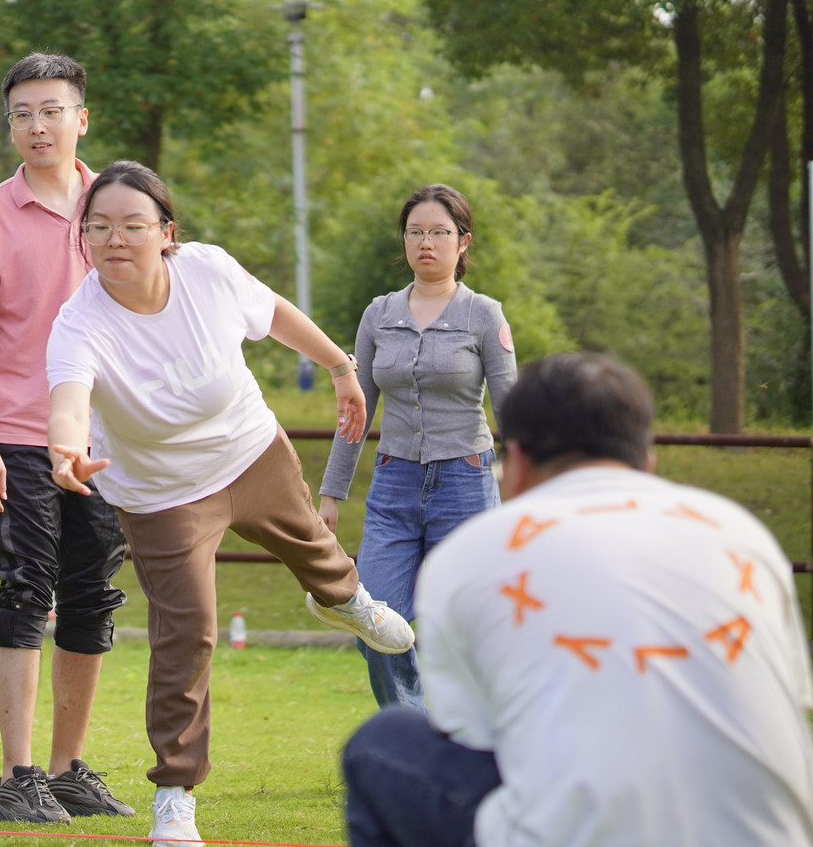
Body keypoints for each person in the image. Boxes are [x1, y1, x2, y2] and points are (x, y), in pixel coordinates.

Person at [46, 161, 414, 847]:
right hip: (161, 496)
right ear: (83, 237)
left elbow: (273, 313)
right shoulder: (79, 323)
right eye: (98, 227)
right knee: (188, 633)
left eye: (132, 225)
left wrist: (341, 367)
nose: (114, 240)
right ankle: (175, 794)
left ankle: (344, 600)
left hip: (248, 451)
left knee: (314, 546)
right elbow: (68, 399)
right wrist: (65, 450)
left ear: (166, 233)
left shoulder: (207, 271)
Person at [341, 353, 813, 846]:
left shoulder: (470, 553)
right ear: (647, 459)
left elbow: (478, 745)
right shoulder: (742, 536)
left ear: (516, 463)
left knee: (381, 743)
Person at [0, 52, 134, 824]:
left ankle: (65, 771)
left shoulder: (117, 205)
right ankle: (16, 777)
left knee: (94, 597)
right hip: (18, 436)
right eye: (22, 113)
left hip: (104, 441)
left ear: (80, 119)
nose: (37, 125)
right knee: (27, 590)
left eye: (52, 110)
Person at [318, 184, 516, 709]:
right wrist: (331, 494)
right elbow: (355, 413)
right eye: (415, 232)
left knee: (470, 628)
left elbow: (512, 413)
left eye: (439, 232)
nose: (426, 242)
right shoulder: (378, 314)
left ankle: (472, 733)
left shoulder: (484, 315)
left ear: (463, 241)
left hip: (467, 484)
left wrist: (531, 490)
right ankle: (411, 729)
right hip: (394, 486)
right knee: (376, 624)